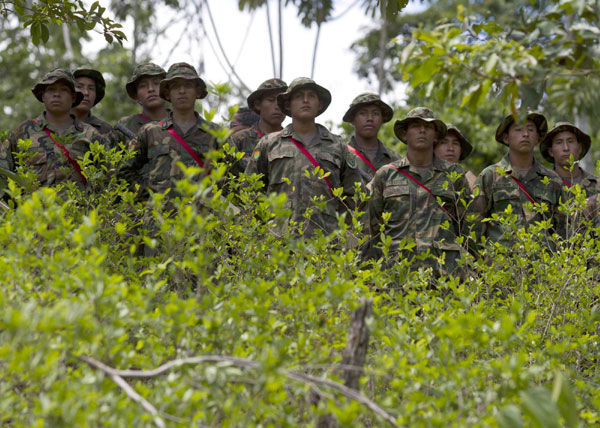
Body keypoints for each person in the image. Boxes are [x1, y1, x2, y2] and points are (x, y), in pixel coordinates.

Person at [245, 77, 363, 237]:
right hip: (279, 244)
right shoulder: (268, 143)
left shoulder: (338, 146)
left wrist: (338, 230)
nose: (305, 100)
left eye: (311, 96)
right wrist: (266, 228)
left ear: (319, 104)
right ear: (288, 104)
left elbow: (354, 196)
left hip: (325, 245)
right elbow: (249, 190)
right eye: (299, 96)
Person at [366, 108, 473, 276]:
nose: (422, 130)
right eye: (416, 126)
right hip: (398, 274)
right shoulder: (386, 175)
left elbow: (467, 227)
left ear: (436, 135)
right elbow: (370, 229)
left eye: (428, 127)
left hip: (446, 274)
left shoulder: (454, 175)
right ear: (404, 135)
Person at [119, 62, 217, 199]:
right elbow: (124, 171)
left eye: (188, 85)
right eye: (176, 86)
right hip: (160, 216)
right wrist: (149, 195)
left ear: (198, 91)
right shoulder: (150, 131)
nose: (182, 91)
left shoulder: (215, 133)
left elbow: (236, 176)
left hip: (203, 217)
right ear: (167, 93)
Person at [469, 112, 566, 246]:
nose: (525, 134)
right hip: (502, 265)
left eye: (531, 129)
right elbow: (474, 227)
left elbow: (563, 231)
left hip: (542, 265)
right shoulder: (490, 176)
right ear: (506, 138)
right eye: (518, 129)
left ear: (537, 137)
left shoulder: (552, 180)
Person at [0, 68, 105, 188]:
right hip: (33, 206)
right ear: (43, 96)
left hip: (79, 206)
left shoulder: (91, 135)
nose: (56, 94)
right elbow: (4, 175)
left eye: (63, 90)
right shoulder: (23, 131)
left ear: (73, 97)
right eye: (51, 89)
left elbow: (105, 181)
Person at [227, 78, 287, 175]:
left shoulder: (292, 140)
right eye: (271, 100)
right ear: (258, 104)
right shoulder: (239, 140)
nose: (277, 106)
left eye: (281, 102)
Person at [342, 93, 399, 181]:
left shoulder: (395, 160)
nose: (370, 118)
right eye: (363, 113)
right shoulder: (341, 155)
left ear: (382, 119)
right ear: (352, 119)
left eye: (375, 113)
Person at [539, 121, 599, 197]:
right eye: (559, 142)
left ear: (580, 148)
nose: (566, 148)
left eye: (570, 141)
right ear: (551, 151)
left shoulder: (597, 184)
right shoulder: (543, 187)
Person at [114, 63, 169, 144]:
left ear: (166, 90)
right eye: (143, 86)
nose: (150, 89)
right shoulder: (125, 126)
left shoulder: (180, 119)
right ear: (136, 95)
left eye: (156, 83)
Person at [72, 66, 117, 147]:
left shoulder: (106, 130)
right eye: (79, 87)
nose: (86, 92)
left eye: (91, 88)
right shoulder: (55, 124)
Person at [434, 123, 476, 188]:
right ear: (433, 148)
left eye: (455, 143)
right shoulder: (423, 177)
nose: (451, 148)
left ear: (461, 150)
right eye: (444, 142)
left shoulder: (469, 180)